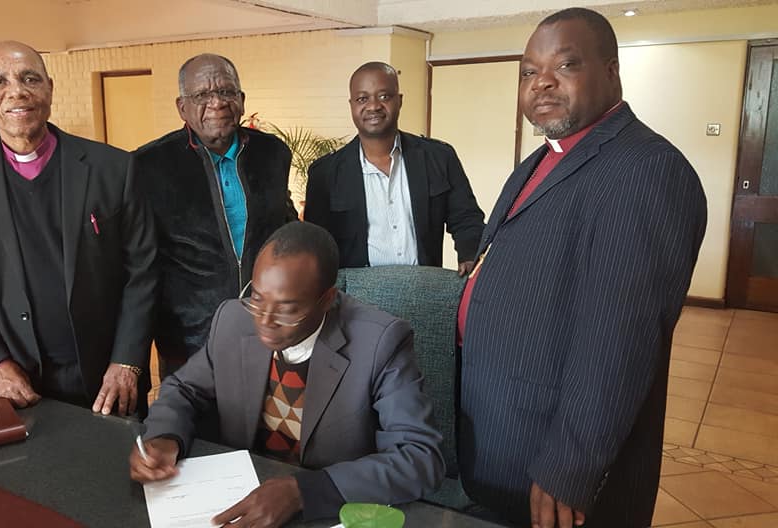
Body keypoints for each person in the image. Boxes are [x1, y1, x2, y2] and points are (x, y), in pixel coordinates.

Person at [456, 8, 708, 528]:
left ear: (612, 72)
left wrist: (572, 464)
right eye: (528, 71)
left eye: (565, 65)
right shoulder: (539, 160)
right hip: (505, 439)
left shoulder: (646, 169)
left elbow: (621, 340)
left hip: (557, 467)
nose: (541, 82)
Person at [130, 222, 444, 527]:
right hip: (240, 493)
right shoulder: (232, 319)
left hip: (329, 507)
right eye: (257, 297)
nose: (264, 320)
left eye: (286, 309)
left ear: (326, 299)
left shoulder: (380, 343)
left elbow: (419, 457)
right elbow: (184, 388)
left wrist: (302, 491)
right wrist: (165, 437)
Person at [0, 41, 156, 417]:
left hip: (109, 377)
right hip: (15, 379)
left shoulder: (113, 168)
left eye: (29, 78)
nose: (16, 92)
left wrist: (127, 361)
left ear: (49, 88)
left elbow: (143, 273)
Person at [132, 53, 296, 380]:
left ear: (241, 100)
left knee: (267, 423)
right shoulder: (148, 165)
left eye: (226, 92)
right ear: (182, 107)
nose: (217, 103)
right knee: (197, 423)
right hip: (189, 338)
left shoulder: (272, 153)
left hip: (267, 325)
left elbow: (286, 227)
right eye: (202, 95)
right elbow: (140, 260)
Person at [304, 62, 484, 273]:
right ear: (352, 105)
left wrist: (470, 255)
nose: (373, 106)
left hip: (424, 289)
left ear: (399, 101)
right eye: (363, 99)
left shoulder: (438, 158)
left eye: (384, 96)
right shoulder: (325, 174)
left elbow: (466, 218)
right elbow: (316, 245)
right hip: (355, 297)